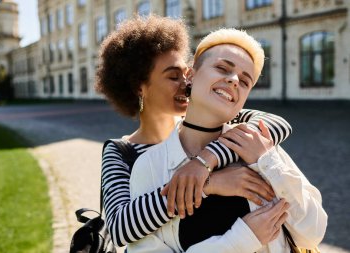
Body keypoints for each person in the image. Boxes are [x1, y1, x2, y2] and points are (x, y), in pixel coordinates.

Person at [96, 15, 292, 248]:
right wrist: (207, 184)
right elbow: (120, 228)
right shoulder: (121, 152)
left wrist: (205, 160)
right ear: (140, 86)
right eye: (172, 76)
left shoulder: (219, 121)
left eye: (186, 73)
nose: (185, 83)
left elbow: (277, 124)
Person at [129, 28, 327, 252]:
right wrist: (243, 238)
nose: (234, 81)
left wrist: (268, 162)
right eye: (222, 68)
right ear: (191, 76)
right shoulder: (150, 166)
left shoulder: (260, 148)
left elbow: (312, 233)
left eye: (245, 81)